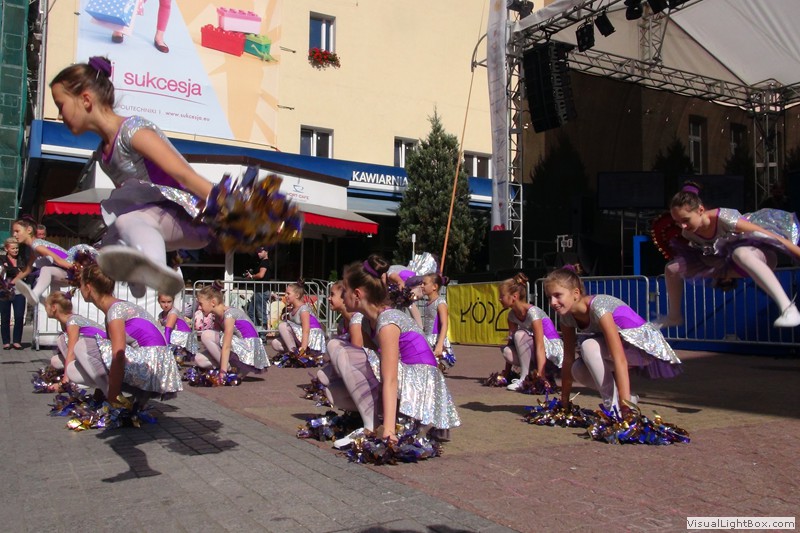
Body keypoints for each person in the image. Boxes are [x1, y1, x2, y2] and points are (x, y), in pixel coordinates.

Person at [50, 57, 213, 299]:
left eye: (60, 105)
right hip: (158, 221)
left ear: (85, 99)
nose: (59, 115)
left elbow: (185, 174)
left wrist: (233, 207)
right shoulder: (102, 154)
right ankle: (138, 280)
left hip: (192, 218)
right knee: (108, 245)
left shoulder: (132, 131)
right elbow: (130, 199)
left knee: (126, 221)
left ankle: (155, 267)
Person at [328, 256, 461, 443]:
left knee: (337, 347)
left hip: (420, 383)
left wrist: (389, 431)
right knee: (332, 390)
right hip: (407, 379)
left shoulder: (387, 320)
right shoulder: (367, 321)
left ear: (357, 294)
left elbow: (389, 378)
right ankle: (377, 418)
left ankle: (374, 426)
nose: (342, 297)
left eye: (345, 291)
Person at [544, 267, 682, 413]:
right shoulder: (566, 317)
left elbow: (619, 358)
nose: (553, 302)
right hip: (618, 348)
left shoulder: (599, 308)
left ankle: (615, 408)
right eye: (549, 297)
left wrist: (625, 407)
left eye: (558, 295)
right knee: (577, 369)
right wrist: (564, 400)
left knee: (588, 346)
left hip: (642, 347)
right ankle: (625, 400)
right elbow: (568, 358)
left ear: (576, 293)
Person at [663, 181, 800, 328]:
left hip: (759, 257)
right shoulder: (688, 233)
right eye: (677, 222)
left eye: (685, 220)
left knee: (740, 253)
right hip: (731, 266)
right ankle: (674, 317)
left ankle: (788, 308)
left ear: (700, 210)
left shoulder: (722, 217)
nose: (682, 226)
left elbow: (770, 236)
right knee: (672, 269)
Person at [79, 264, 182, 404]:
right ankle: (121, 397)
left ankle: (116, 400)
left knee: (83, 346)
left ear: (88, 287)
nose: (79, 289)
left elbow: (118, 356)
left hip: (150, 369)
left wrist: (113, 398)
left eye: (80, 285)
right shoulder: (118, 307)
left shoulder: (115, 311)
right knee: (76, 368)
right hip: (158, 368)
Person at [498, 272, 563, 392]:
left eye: (502, 295)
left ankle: (527, 378)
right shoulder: (511, 316)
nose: (499, 299)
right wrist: (506, 373)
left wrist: (541, 378)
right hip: (535, 350)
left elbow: (540, 345)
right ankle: (530, 374)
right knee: (507, 351)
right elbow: (511, 342)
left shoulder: (533, 312)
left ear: (514, 296)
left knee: (520, 335)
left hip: (551, 352)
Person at [11, 217, 97, 306]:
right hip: (65, 272)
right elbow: (28, 269)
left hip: (70, 272)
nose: (14, 234)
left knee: (46, 270)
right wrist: (11, 283)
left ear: (29, 230)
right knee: (51, 286)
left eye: (17, 231)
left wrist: (79, 271)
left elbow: (59, 260)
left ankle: (35, 294)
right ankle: (57, 304)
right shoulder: (34, 247)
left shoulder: (37, 246)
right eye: (14, 232)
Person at [194, 280, 268, 377]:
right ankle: (235, 369)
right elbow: (218, 344)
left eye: (201, 304)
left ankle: (227, 370)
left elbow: (226, 345)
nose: (199, 308)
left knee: (206, 335)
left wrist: (223, 371)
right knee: (199, 359)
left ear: (213, 302)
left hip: (249, 350)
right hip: (239, 351)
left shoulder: (229, 314)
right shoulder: (217, 316)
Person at [44, 291, 107, 393]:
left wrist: (64, 382)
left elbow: (71, 351)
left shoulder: (72, 321)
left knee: (61, 339)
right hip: (93, 350)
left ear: (54, 307)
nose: (45, 309)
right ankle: (77, 377)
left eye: (46, 306)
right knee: (55, 361)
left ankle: (77, 381)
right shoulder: (67, 321)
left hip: (103, 352)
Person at [316, 281, 364, 409]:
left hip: (361, 369)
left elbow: (357, 353)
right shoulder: (342, 323)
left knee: (333, 344)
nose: (328, 298)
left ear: (344, 298)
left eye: (332, 295)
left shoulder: (357, 320)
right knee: (322, 376)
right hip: (345, 365)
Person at [270, 281, 326, 360]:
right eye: (285, 293)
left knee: (283, 326)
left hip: (312, 338)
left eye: (288, 293)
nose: (285, 296)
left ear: (297, 295)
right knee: (275, 343)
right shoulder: (292, 310)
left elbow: (306, 330)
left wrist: (303, 348)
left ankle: (295, 354)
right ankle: (294, 353)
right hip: (301, 338)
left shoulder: (304, 309)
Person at [419, 272, 456, 369]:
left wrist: (440, 344)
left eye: (424, 283)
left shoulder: (440, 303)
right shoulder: (427, 303)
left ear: (434, 287)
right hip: (428, 339)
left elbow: (444, 324)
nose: (421, 286)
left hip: (436, 340)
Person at [1, 238, 26, 350]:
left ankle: (16, 341)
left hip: (19, 290)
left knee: (19, 316)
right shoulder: (2, 259)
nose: (16, 250)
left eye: (17, 248)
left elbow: (27, 272)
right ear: (7, 249)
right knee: (5, 317)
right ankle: (6, 342)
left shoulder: (22, 259)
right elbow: (5, 271)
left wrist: (14, 271)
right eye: (13, 248)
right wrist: (17, 271)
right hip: (5, 290)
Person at [157, 292, 198, 359]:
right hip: (176, 339)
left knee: (164, 331)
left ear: (173, 301)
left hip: (185, 341)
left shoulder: (173, 312)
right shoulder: (161, 315)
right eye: (163, 302)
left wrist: (165, 350)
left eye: (169, 302)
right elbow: (158, 330)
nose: (166, 305)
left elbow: (168, 331)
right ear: (159, 301)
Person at [245, 246, 274, 327]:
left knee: (260, 314)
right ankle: (256, 331)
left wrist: (252, 276)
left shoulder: (265, 262)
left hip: (261, 290)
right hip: (259, 290)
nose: (258, 253)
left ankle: (263, 333)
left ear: (266, 252)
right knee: (251, 313)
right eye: (257, 252)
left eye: (260, 251)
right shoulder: (265, 262)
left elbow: (261, 275)